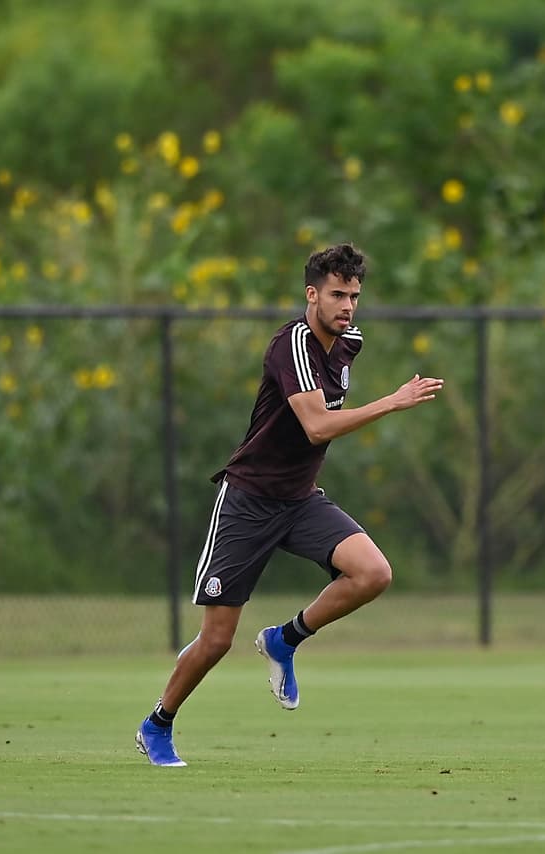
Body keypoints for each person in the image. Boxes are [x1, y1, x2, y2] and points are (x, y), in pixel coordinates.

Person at [136, 242, 444, 766]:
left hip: (299, 501)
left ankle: (285, 639)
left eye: (354, 296)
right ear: (311, 294)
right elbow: (317, 425)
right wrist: (391, 402)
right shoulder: (291, 345)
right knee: (216, 642)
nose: (347, 306)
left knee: (373, 573)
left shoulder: (349, 342)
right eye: (337, 295)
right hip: (249, 502)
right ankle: (157, 724)